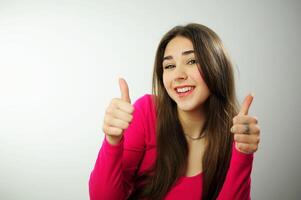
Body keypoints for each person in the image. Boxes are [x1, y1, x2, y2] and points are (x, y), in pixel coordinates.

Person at [89, 23, 261, 200]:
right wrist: (112, 140)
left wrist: (243, 154)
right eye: (169, 66)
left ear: (216, 66)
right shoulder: (147, 112)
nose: (178, 75)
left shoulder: (234, 134)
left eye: (192, 61)